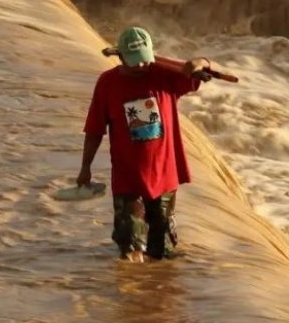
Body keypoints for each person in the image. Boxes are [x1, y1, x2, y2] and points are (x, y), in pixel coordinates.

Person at [77, 26, 212, 262]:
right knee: (129, 246)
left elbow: (198, 67)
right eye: (133, 62)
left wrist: (200, 62)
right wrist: (85, 167)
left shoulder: (165, 76)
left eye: (143, 60)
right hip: (127, 177)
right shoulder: (108, 83)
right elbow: (95, 130)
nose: (140, 66)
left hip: (163, 176)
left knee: (162, 252)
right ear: (120, 58)